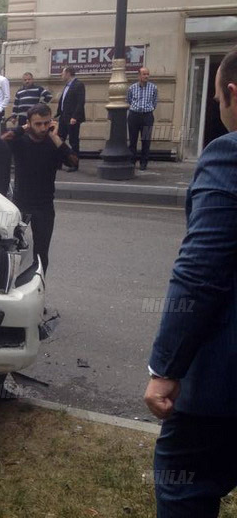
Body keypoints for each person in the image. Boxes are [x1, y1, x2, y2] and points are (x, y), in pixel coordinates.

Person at [143, 47, 237, 518]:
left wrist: (165, 369)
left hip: (220, 398)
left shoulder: (229, 153)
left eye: (218, 99)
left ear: (232, 95)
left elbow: (201, 272)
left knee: (184, 487)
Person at [1, 103, 77, 273]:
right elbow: (0, 141)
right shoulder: (20, 141)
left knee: (41, 254)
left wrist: (56, 137)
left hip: (44, 207)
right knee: (9, 250)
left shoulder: (53, 144)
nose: (43, 128)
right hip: (21, 205)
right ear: (29, 123)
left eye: (46, 123)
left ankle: (38, 286)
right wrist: (23, 128)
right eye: (38, 124)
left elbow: (74, 161)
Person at [127, 67, 158, 171]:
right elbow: (129, 100)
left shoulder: (153, 88)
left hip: (147, 116)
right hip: (134, 115)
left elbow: (154, 102)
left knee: (146, 140)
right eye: (144, 74)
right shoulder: (132, 88)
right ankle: (132, 161)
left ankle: (143, 162)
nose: (146, 76)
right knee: (133, 140)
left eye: (147, 74)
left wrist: (149, 109)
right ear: (139, 75)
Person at [55, 67, 85, 171]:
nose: (61, 75)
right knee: (59, 139)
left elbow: (80, 102)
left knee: (73, 141)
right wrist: (58, 114)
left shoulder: (78, 85)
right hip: (63, 117)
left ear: (68, 73)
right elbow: (63, 102)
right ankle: (58, 163)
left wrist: (75, 117)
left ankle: (74, 164)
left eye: (62, 73)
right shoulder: (67, 86)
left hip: (72, 118)